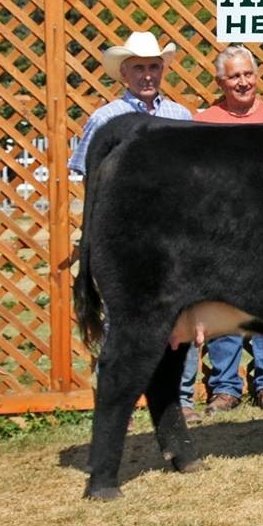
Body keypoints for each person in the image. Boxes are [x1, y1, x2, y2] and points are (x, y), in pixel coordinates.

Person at [68, 30, 202, 426]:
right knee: (122, 322)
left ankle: (181, 401)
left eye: (154, 67)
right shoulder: (105, 119)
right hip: (127, 238)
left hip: (176, 239)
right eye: (139, 68)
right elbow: (87, 182)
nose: (147, 74)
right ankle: (117, 407)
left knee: (179, 316)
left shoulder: (180, 117)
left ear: (163, 70)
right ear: (123, 73)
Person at [195, 45, 263, 415]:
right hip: (221, 236)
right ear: (221, 81)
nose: (243, 81)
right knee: (223, 309)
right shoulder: (203, 123)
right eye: (234, 76)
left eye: (248, 74)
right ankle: (224, 387)